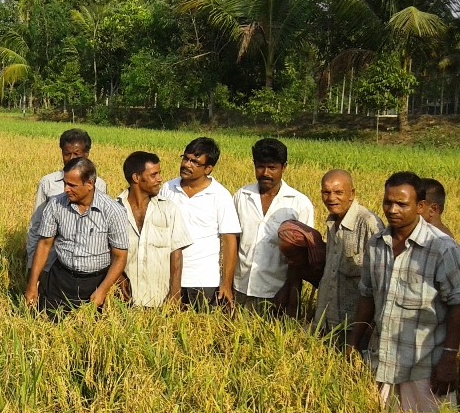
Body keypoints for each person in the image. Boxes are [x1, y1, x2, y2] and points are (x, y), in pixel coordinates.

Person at [348, 172, 460, 413]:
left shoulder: (442, 248)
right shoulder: (376, 244)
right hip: (381, 362)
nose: (392, 209)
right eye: (388, 202)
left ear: (420, 206)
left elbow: (457, 304)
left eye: (402, 204)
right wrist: (353, 343)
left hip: (424, 368)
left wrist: (450, 358)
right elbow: (367, 296)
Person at [25, 158, 129, 318]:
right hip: (61, 279)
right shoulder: (55, 205)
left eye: (72, 185)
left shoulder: (113, 211)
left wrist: (102, 291)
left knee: (91, 333)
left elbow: (120, 257)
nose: (66, 189)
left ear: (89, 184)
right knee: (46, 325)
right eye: (65, 183)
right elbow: (44, 245)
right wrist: (32, 284)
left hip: (96, 282)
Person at [232, 138, 314, 316]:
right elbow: (233, 242)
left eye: (272, 167)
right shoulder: (242, 196)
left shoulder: (299, 204)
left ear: (284, 167)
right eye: (260, 166)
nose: (265, 173)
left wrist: (289, 291)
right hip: (240, 287)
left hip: (276, 292)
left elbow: (301, 257)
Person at [162, 137, 240, 309]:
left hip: (203, 281)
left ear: (208, 168)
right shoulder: (167, 189)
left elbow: (229, 240)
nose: (187, 164)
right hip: (167, 277)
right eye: (185, 158)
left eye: (195, 162)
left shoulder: (220, 195)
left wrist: (226, 284)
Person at [313, 169, 382, 345]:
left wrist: (368, 331)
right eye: (326, 192)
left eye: (338, 192)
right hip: (329, 322)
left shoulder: (368, 223)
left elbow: (379, 283)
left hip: (354, 328)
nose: (331, 198)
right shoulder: (331, 222)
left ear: (352, 194)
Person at [26, 129, 108, 274]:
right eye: (67, 153)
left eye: (76, 154)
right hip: (50, 262)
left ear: (86, 154)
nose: (71, 158)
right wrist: (32, 265)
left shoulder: (99, 184)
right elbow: (36, 226)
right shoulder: (48, 183)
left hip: (86, 267)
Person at [117, 151, 192, 307]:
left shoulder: (169, 209)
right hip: (123, 300)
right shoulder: (114, 209)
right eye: (153, 175)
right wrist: (117, 277)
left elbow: (176, 254)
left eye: (159, 174)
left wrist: (175, 293)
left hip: (160, 299)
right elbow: (105, 250)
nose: (160, 179)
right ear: (136, 178)